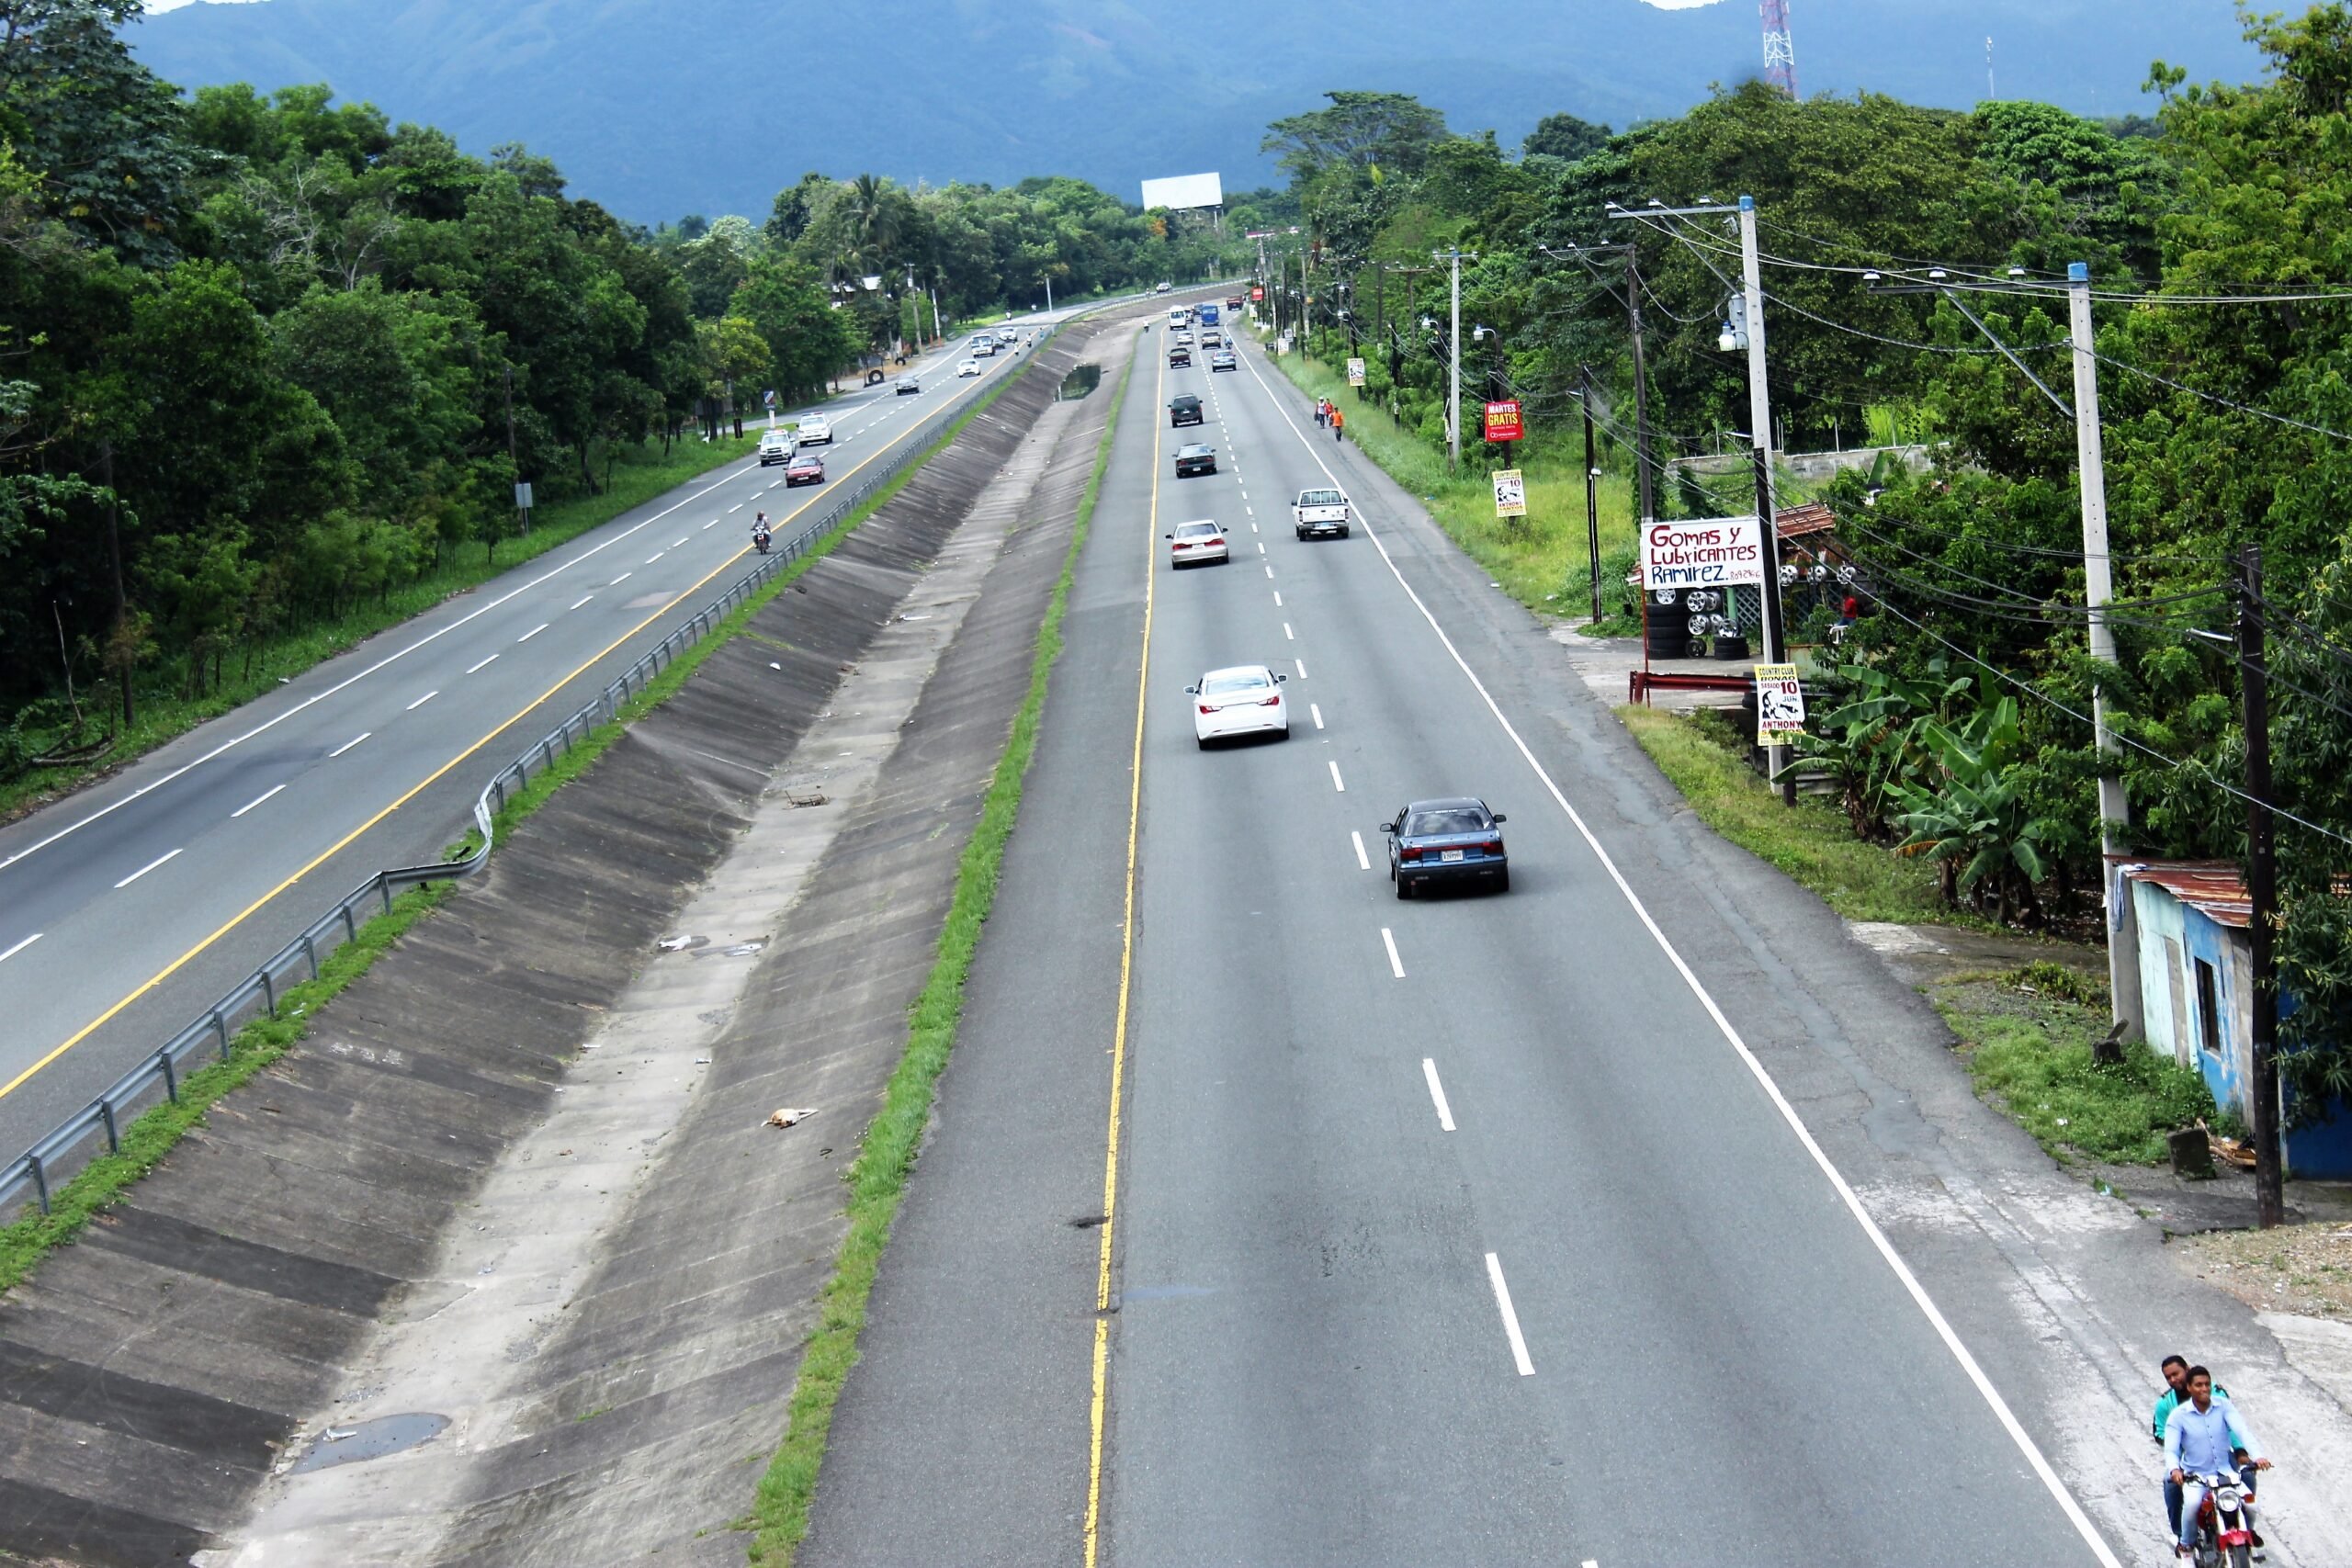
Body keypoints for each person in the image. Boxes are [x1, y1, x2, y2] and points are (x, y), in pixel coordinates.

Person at [2165, 1365, 2268, 1559]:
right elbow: (2170, 1450)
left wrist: (2258, 1456)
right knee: (2192, 1506)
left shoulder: (2223, 1405)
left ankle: (2247, 1538)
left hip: (2225, 1473)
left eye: (2207, 1384)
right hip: (2196, 1477)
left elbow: (2242, 1431)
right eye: (2198, 1385)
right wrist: (2175, 1470)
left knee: (2251, 1505)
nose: (2204, 1389)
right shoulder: (2178, 1416)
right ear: (2189, 1388)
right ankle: (2186, 1549)